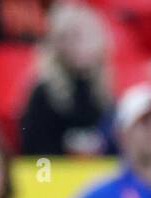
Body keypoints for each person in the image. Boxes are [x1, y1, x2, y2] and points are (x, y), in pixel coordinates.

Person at [18, 1, 113, 157]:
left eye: (86, 36)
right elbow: (36, 151)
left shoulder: (105, 92)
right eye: (70, 37)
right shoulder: (43, 93)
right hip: (56, 175)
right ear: (56, 43)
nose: (79, 45)